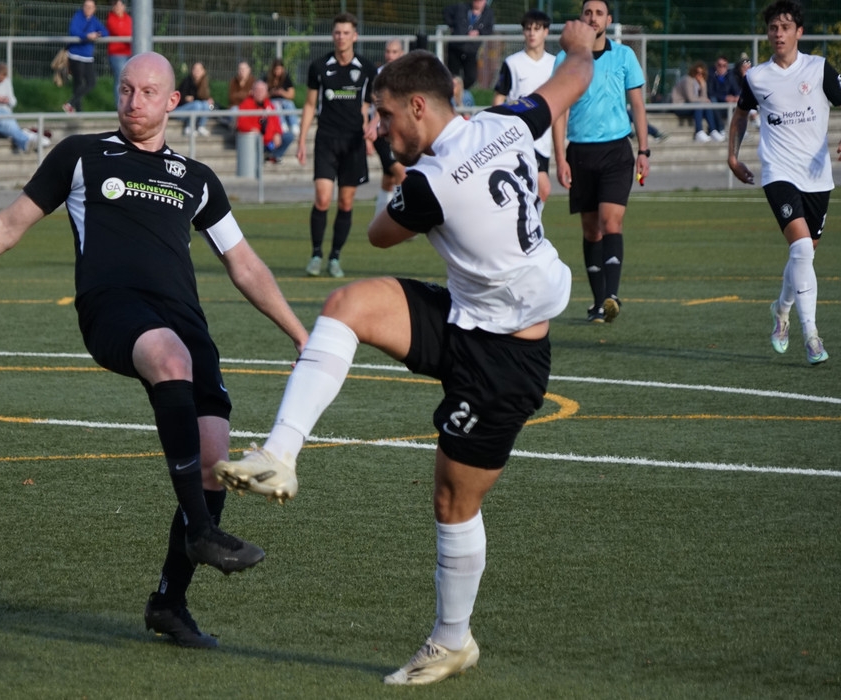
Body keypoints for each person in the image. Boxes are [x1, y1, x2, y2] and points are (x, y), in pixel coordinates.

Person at [214, 22, 597, 685]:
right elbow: (572, 78)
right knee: (347, 305)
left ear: (420, 106)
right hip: (466, 315)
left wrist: (403, 175)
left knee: (453, 502)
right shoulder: (507, 122)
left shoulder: (430, 183)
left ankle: (452, 641)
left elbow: (378, 233)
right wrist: (583, 42)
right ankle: (279, 455)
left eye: (386, 116)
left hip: (506, 360)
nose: (379, 128)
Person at [0, 51, 309, 648]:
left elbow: (243, 263)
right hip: (113, 308)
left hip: (185, 319)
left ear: (172, 101)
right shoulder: (80, 155)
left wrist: (300, 334)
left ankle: (169, 603)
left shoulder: (197, 179)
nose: (132, 101)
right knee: (170, 358)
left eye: (147, 92)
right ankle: (201, 533)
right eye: (125, 89)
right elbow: (10, 223)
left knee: (213, 457)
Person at [727, 0, 841, 366]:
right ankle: (811, 336)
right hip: (778, 173)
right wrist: (732, 156)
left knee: (804, 253)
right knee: (802, 248)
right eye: (773, 28)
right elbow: (740, 115)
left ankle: (781, 308)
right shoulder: (757, 77)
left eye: (786, 27)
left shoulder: (819, 68)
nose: (778, 33)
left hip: (817, 177)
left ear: (799, 32)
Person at [551, 0, 649, 323]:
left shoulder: (624, 56)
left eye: (599, 13)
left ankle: (612, 295)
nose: (593, 18)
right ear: (581, 18)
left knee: (611, 222)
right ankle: (597, 304)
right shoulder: (565, 59)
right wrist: (560, 157)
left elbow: (637, 105)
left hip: (616, 152)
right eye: (587, 12)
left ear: (608, 19)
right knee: (591, 229)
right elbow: (559, 111)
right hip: (580, 153)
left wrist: (644, 150)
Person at [297, 12, 376, 278]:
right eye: (337, 32)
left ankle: (335, 257)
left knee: (345, 201)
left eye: (346, 33)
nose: (341, 37)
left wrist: (372, 127)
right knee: (322, 198)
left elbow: (374, 104)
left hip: (353, 142)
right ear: (333, 35)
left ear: (355, 36)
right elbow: (310, 105)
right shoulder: (319, 67)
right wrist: (301, 140)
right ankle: (316, 254)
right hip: (326, 139)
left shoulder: (367, 68)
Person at [493, 9, 555, 201]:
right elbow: (499, 97)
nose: (532, 33)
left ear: (546, 31)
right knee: (541, 187)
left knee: (536, 192)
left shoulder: (554, 64)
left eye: (537, 29)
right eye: (528, 29)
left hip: (544, 139)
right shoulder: (512, 63)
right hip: (520, 136)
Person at [369, 39, 407, 217]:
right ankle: (401, 219)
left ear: (401, 54)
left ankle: (378, 219)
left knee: (389, 178)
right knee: (400, 172)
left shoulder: (407, 75)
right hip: (382, 131)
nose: (390, 56)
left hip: (399, 130)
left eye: (394, 52)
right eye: (388, 52)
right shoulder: (378, 75)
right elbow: (377, 102)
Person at [0, 62, 52, 153]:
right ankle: (27, 141)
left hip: (5, 109)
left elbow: (13, 101)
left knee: (11, 125)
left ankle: (29, 139)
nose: (2, 80)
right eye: (0, 77)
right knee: (8, 125)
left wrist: (7, 100)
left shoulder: (6, 81)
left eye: (4, 78)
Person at [63, 0, 108, 113]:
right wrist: (86, 36)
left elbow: (105, 31)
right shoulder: (77, 17)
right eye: (86, 6)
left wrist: (98, 34)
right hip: (76, 55)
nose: (88, 9)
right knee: (78, 83)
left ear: (94, 9)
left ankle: (71, 104)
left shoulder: (94, 20)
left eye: (90, 7)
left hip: (88, 57)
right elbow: (73, 31)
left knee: (91, 82)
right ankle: (78, 110)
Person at [236, 79, 293, 163]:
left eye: (262, 90)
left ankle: (273, 156)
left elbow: (276, 121)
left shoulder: (269, 105)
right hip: (255, 139)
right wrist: (252, 129)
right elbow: (241, 123)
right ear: (253, 91)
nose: (260, 93)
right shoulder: (246, 105)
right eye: (257, 90)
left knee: (289, 136)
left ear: (266, 92)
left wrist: (277, 133)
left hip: (269, 139)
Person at [442, 0, 495, 90]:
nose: (478, 2)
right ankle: (452, 93)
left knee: (471, 77)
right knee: (452, 75)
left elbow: (489, 29)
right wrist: (452, 25)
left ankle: (460, 91)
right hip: (456, 47)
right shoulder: (461, 7)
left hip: (471, 50)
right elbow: (446, 11)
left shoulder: (488, 13)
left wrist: (479, 32)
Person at [670, 61, 722, 143]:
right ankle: (699, 132)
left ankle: (713, 131)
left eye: (702, 73)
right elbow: (691, 98)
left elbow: (704, 98)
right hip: (679, 105)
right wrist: (704, 100)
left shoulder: (701, 82)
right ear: (693, 72)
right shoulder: (688, 80)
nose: (699, 75)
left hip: (691, 106)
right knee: (699, 104)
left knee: (706, 105)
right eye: (697, 72)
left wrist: (703, 86)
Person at [174, 61, 214, 136]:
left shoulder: (205, 84)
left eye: (199, 69)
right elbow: (178, 98)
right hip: (180, 110)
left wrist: (210, 101)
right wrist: (185, 98)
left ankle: (201, 126)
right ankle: (189, 127)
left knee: (206, 104)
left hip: (195, 110)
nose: (196, 71)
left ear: (204, 71)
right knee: (197, 104)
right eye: (194, 69)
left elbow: (204, 99)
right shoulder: (187, 81)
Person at [106, 0, 132, 108]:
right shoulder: (111, 18)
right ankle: (120, 106)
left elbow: (132, 31)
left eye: (120, 5)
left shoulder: (128, 18)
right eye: (116, 5)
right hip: (117, 54)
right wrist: (130, 36)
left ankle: (128, 104)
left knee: (130, 79)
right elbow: (119, 31)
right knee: (121, 79)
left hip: (128, 52)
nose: (118, 7)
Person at [707, 54, 740, 134]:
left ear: (727, 66)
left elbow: (736, 90)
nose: (721, 68)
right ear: (716, 65)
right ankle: (721, 128)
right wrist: (725, 97)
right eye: (719, 65)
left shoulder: (730, 76)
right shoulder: (711, 75)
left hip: (728, 103)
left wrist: (736, 97)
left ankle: (740, 129)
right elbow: (710, 92)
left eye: (724, 65)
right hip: (717, 102)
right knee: (713, 100)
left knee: (740, 101)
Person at [266, 58, 298, 134]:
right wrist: (272, 93)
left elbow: (292, 95)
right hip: (272, 101)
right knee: (276, 105)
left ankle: (294, 125)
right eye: (276, 69)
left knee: (289, 104)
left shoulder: (286, 78)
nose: (277, 71)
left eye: (279, 69)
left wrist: (282, 92)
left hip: (284, 100)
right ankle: (282, 125)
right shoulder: (267, 79)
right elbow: (263, 95)